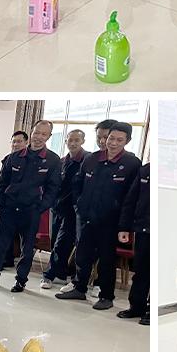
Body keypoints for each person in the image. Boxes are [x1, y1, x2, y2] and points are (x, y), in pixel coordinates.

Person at [57, 121, 140, 313]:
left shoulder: (131, 164)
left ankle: (106, 296)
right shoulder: (92, 159)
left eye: (119, 140)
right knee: (82, 254)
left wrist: (124, 225)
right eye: (111, 138)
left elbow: (131, 197)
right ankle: (79, 288)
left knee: (107, 259)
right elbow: (77, 184)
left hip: (111, 221)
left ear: (127, 141)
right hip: (86, 217)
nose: (113, 143)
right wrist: (79, 205)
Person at [0, 119, 60, 292]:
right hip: (9, 209)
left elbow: (53, 189)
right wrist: (0, 203)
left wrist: (40, 207)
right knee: (0, 244)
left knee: (27, 249)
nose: (39, 137)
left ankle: (21, 280)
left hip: (31, 211)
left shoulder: (52, 160)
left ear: (49, 136)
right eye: (37, 132)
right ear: (31, 132)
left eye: (44, 134)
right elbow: (2, 182)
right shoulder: (14, 157)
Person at [42, 128, 86, 289]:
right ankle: (61, 274)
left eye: (77, 140)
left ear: (83, 141)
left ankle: (49, 275)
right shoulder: (61, 161)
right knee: (55, 242)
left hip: (74, 211)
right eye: (70, 140)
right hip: (57, 207)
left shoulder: (87, 161)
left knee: (62, 243)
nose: (73, 143)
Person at [117, 160, 150, 324]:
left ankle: (151, 309)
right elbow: (131, 200)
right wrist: (124, 227)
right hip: (142, 228)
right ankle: (137, 306)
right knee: (140, 269)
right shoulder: (145, 170)